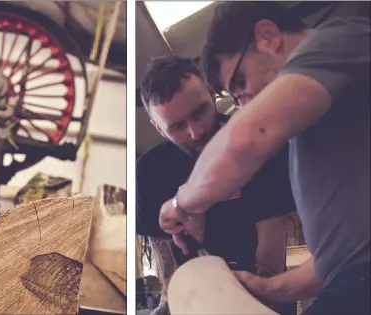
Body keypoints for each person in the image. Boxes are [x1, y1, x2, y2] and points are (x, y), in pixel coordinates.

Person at [158, 2, 370, 315]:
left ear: (268, 36)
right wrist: (266, 287)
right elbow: (336, 262)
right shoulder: (313, 136)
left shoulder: (336, 42)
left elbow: (245, 139)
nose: (246, 105)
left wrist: (182, 204)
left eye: (241, 83)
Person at [137, 55, 297, 315]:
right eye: (177, 126)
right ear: (158, 128)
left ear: (212, 94)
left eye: (199, 111)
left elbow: (270, 252)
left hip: (261, 291)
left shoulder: (263, 146)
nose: (195, 131)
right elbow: (166, 264)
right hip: (190, 294)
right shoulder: (150, 172)